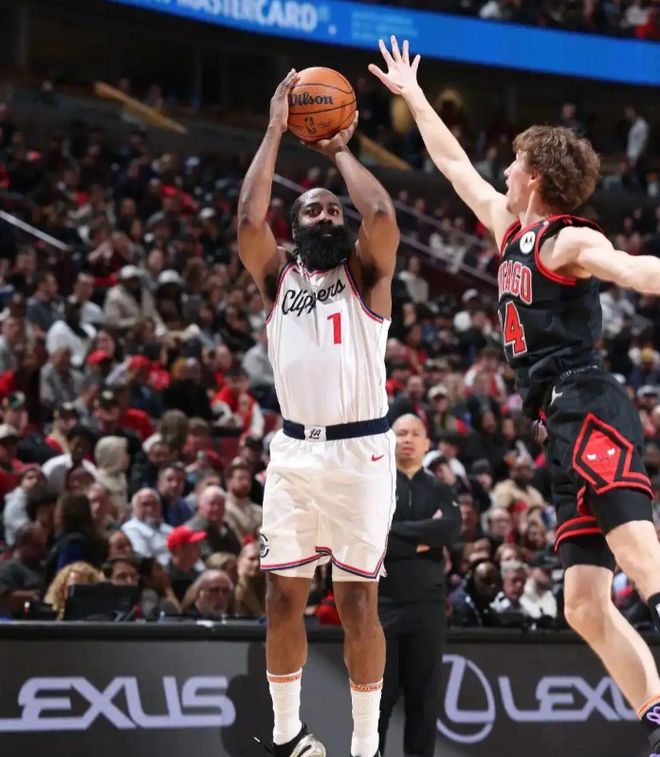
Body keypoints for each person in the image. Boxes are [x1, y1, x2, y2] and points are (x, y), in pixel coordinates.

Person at [371, 35, 660, 753]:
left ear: (532, 176)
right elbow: (454, 165)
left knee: (638, 552)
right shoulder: (510, 231)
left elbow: (634, 270)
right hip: (555, 420)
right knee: (584, 604)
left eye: (511, 163)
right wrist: (414, 96)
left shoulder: (565, 240)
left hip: (587, 402)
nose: (500, 170)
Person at [238, 69, 399, 757]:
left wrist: (338, 151)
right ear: (296, 226)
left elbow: (382, 214)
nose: (328, 216)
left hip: (362, 453)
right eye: (314, 211)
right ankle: (287, 735)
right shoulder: (277, 276)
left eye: (334, 210)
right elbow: (249, 221)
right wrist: (276, 130)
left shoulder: (365, 274)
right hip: (295, 453)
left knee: (358, 603)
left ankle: (364, 745)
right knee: (282, 598)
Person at [378, 414, 460, 757]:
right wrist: (424, 539)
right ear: (390, 440)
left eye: (415, 433)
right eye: (401, 433)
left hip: (428, 606)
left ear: (427, 443)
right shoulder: (376, 484)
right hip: (383, 605)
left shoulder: (441, 489)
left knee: (424, 701)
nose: (408, 439)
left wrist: (397, 536)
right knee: (377, 701)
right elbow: (375, 538)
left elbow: (450, 529)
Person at [0, 523, 47, 618]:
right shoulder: (10, 568)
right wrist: (38, 595)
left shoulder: (42, 567)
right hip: (19, 622)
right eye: (36, 546)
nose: (42, 550)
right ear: (21, 545)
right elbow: (4, 598)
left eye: (43, 546)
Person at [122, 487, 173, 565]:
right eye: (145, 505)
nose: (150, 509)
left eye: (154, 504)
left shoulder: (169, 529)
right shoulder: (131, 529)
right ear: (134, 508)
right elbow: (144, 559)